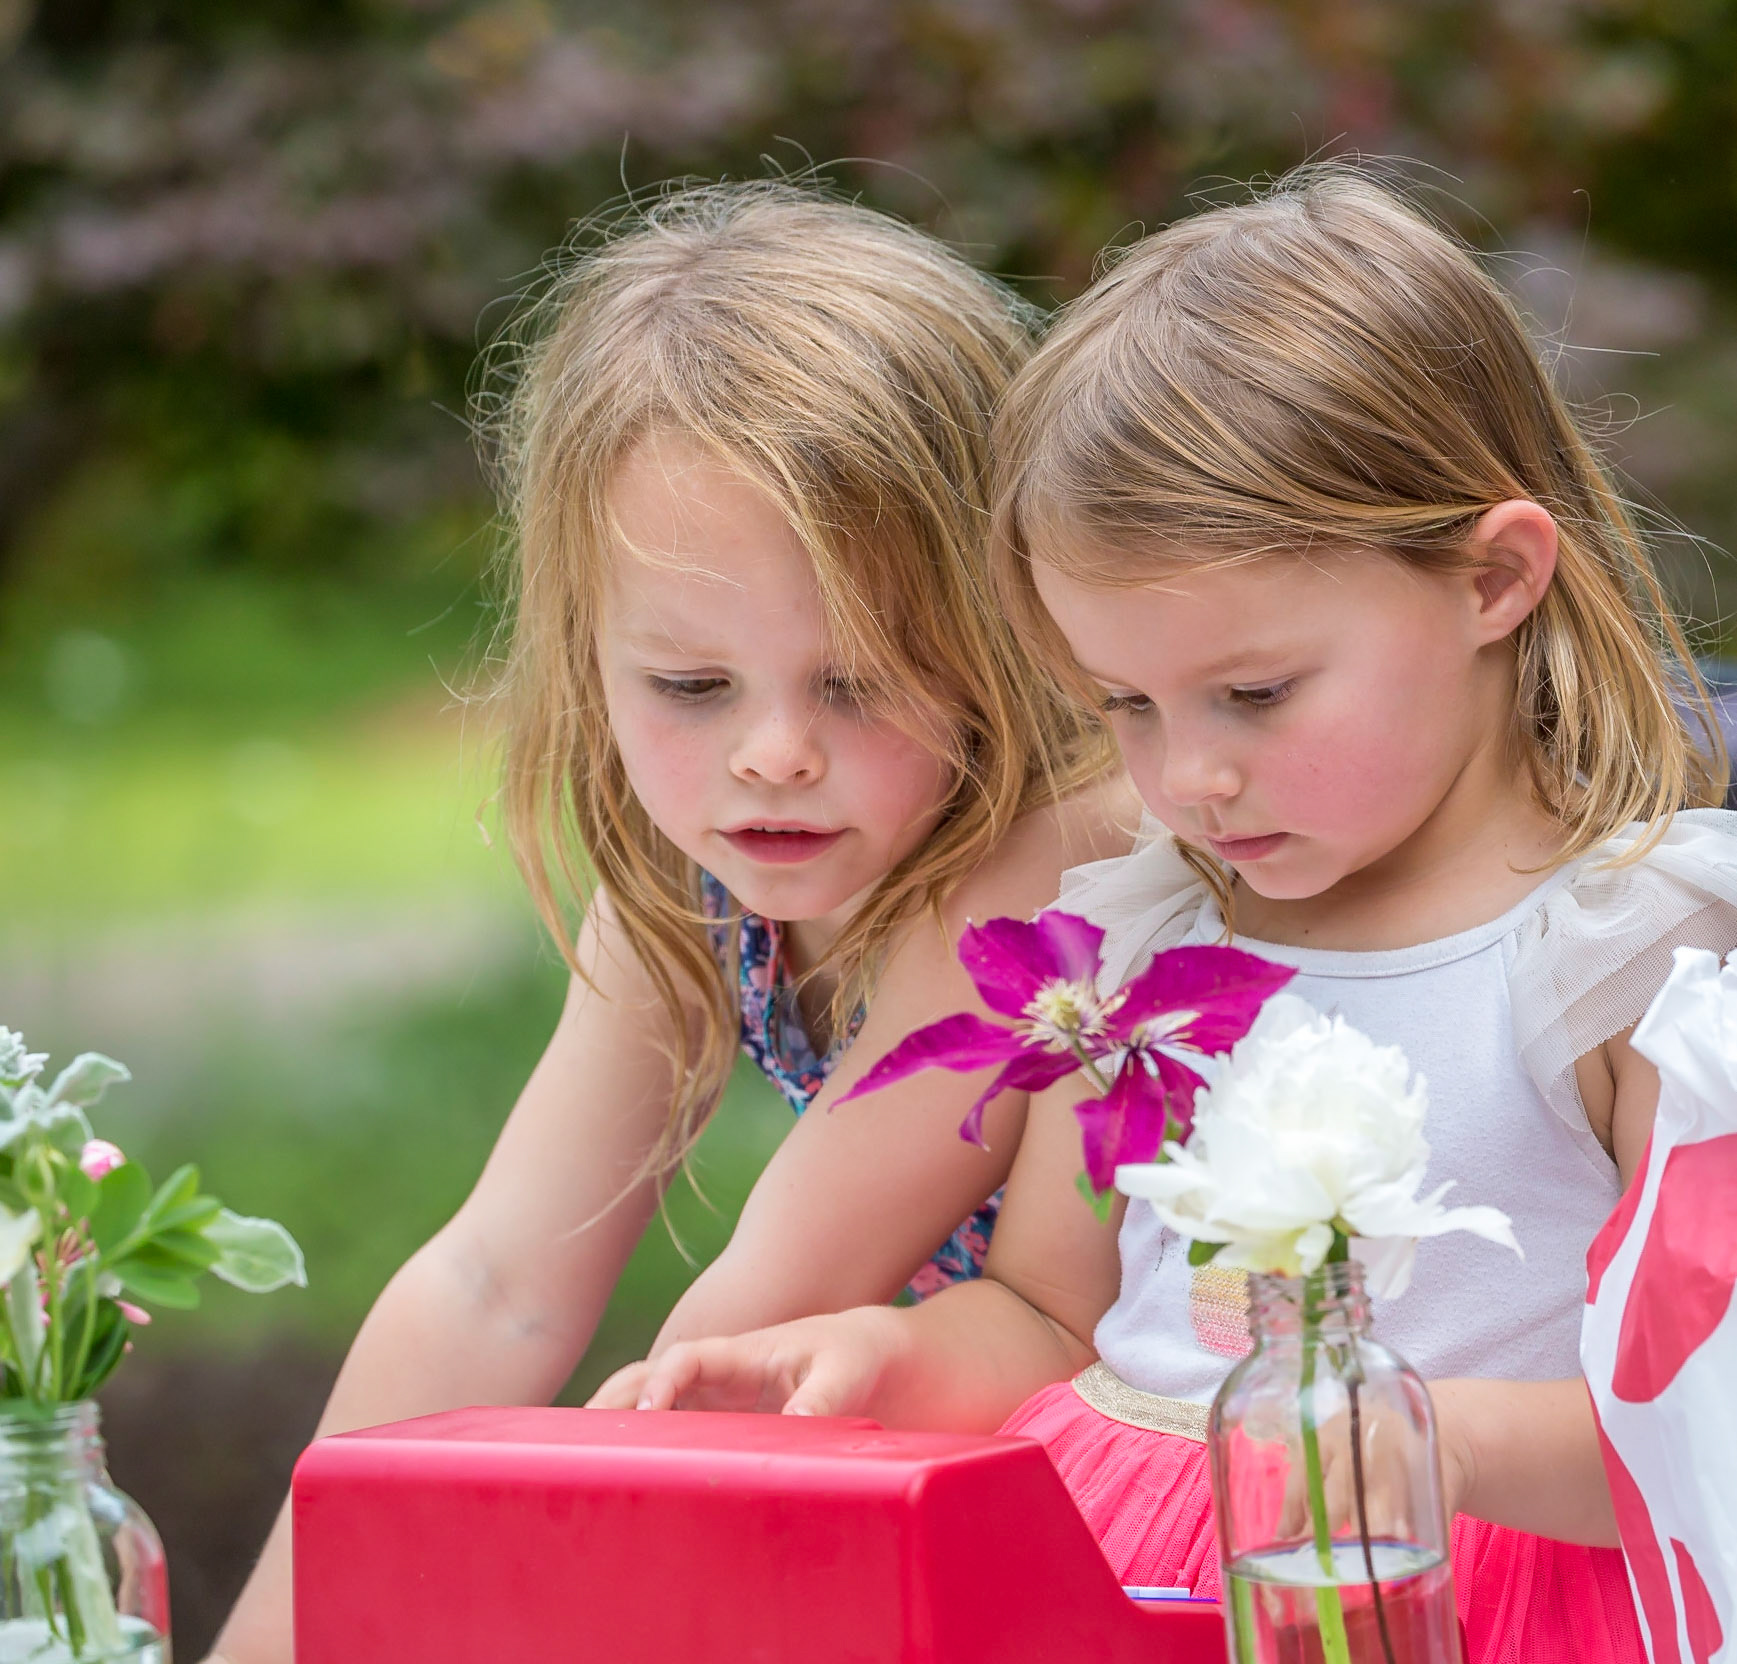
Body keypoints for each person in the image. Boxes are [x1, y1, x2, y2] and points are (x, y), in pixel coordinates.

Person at [621, 168, 1737, 1664]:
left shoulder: (1626, 953)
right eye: (1125, 706)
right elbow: (1051, 1311)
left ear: (1491, 577)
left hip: (1456, 1599)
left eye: (1255, 694)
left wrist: (1427, 1443)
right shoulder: (1145, 942)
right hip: (1119, 1587)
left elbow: (1702, 1434)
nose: (1188, 776)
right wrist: (881, 1351)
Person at [207, 181, 1135, 1664]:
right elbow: (494, 1281)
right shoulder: (689, 887)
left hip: (1180, 1516)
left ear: (999, 633)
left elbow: (749, 1318)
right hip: (936, 1492)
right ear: (584, 656)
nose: (771, 753)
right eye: (691, 689)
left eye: (855, 680)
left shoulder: (1058, 857)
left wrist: (542, 1577)